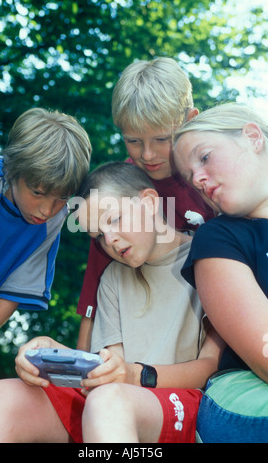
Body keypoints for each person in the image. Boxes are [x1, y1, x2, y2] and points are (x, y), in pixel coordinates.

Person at [0, 162, 223, 443]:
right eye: (99, 236)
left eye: (114, 220)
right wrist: (54, 354)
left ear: (150, 202)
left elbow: (211, 365)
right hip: (113, 401)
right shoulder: (113, 278)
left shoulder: (209, 257)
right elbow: (109, 366)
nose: (111, 240)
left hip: (182, 404)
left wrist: (134, 375)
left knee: (108, 402)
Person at [76, 57, 215, 351]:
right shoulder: (119, 195)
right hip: (147, 342)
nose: (148, 154)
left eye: (162, 138)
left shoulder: (213, 177)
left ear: (190, 119)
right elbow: (93, 295)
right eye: (134, 141)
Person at [173, 102, 268, 443]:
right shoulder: (218, 238)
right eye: (190, 177)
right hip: (243, 390)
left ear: (252, 137)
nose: (197, 179)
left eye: (205, 157)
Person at [0, 107, 92, 348]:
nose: (46, 211)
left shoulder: (53, 220)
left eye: (62, 197)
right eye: (38, 192)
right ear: (12, 169)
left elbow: (12, 292)